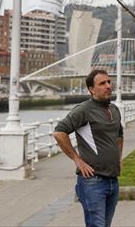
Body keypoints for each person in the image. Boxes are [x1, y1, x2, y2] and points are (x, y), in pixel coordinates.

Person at [53, 69, 124, 227]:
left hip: (113, 180)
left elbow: (119, 135)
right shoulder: (84, 110)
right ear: (91, 89)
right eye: (102, 83)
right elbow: (59, 133)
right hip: (93, 182)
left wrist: (119, 158)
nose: (108, 86)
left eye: (109, 82)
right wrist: (77, 160)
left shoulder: (114, 110)